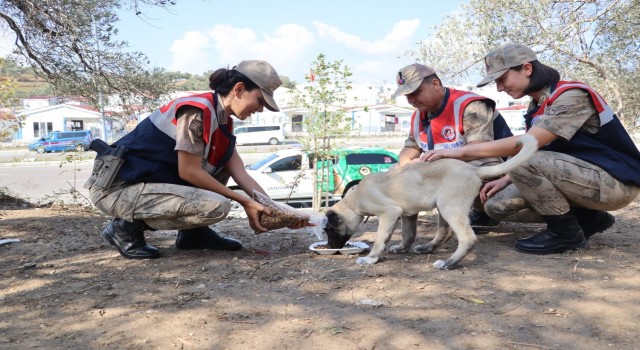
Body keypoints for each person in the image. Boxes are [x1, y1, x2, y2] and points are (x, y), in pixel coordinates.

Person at [419, 43, 640, 254]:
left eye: (502, 79)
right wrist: (506, 178)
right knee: (496, 205)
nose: (499, 87)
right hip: (584, 178)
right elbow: (546, 150)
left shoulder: (571, 95)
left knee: (522, 160)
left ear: (526, 68)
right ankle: (589, 219)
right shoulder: (537, 105)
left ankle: (565, 233)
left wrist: (457, 151)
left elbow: (528, 145)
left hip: (615, 183)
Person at [85, 60, 310, 259]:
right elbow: (189, 172)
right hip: (117, 189)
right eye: (260, 100)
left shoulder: (222, 121)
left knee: (220, 168)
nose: (260, 109)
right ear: (239, 89)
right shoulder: (197, 111)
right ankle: (124, 227)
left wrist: (279, 211)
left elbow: (240, 173)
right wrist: (244, 202)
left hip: (144, 186)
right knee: (217, 206)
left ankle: (194, 234)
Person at [391, 63, 513, 227]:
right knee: (398, 170)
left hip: (506, 171)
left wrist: (428, 163)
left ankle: (484, 210)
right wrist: (405, 164)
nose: (411, 100)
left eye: (416, 93)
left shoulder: (470, 105)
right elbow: (411, 147)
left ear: (435, 84)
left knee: (459, 169)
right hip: (456, 167)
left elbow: (480, 149)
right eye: (407, 95)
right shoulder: (419, 114)